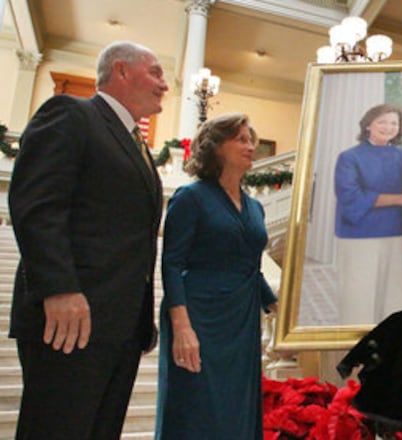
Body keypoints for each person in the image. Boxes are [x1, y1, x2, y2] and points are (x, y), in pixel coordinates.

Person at [8, 41, 167, 439]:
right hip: (69, 320)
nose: (164, 85)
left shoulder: (139, 147)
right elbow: (37, 206)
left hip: (120, 329)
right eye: (155, 72)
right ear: (121, 70)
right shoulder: (71, 114)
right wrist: (58, 288)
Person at [155, 113, 278, 439]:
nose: (250, 146)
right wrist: (182, 327)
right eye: (241, 139)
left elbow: (251, 268)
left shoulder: (255, 207)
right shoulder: (190, 197)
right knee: (196, 406)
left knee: (235, 407)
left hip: (242, 318)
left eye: (251, 140)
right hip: (199, 315)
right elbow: (171, 264)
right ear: (216, 147)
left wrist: (278, 307)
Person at [334, 104, 402, 324]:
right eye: (382, 122)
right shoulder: (349, 157)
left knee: (397, 299)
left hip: (399, 235)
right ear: (368, 125)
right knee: (358, 297)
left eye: (393, 123)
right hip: (360, 236)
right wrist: (401, 199)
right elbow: (350, 198)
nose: (388, 127)